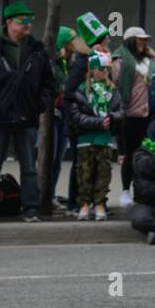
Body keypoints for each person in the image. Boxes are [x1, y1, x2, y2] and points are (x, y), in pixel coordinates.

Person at [0, 1, 56, 223]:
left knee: (29, 167)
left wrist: (40, 105)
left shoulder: (38, 51)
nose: (28, 24)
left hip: (26, 116)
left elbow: (49, 83)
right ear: (8, 22)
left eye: (30, 20)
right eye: (22, 20)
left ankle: (30, 208)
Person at [61, 12, 112, 213]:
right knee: (81, 165)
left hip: (100, 123)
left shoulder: (101, 62)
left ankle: (98, 201)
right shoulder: (82, 63)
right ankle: (77, 202)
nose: (108, 41)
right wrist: (77, 120)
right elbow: (69, 96)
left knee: (100, 165)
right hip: (82, 125)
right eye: (104, 39)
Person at [68, 51, 123, 220]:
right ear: (92, 70)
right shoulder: (82, 90)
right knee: (84, 173)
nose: (103, 72)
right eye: (100, 69)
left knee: (103, 173)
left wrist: (112, 118)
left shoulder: (113, 90)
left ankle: (99, 204)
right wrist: (99, 122)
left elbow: (121, 112)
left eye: (106, 69)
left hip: (104, 139)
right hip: (86, 139)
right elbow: (76, 117)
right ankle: (84, 204)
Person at [112, 26, 155, 209]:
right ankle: (125, 191)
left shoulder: (148, 60)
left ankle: (142, 191)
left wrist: (154, 55)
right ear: (131, 41)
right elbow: (115, 82)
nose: (143, 43)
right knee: (130, 154)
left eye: (145, 40)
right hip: (130, 113)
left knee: (146, 154)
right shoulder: (120, 60)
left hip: (149, 114)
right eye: (140, 40)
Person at [49, 25, 77, 204]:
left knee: (58, 158)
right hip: (52, 115)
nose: (75, 43)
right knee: (49, 158)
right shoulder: (54, 63)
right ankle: (43, 193)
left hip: (65, 116)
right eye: (71, 40)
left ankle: (50, 193)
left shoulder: (72, 63)